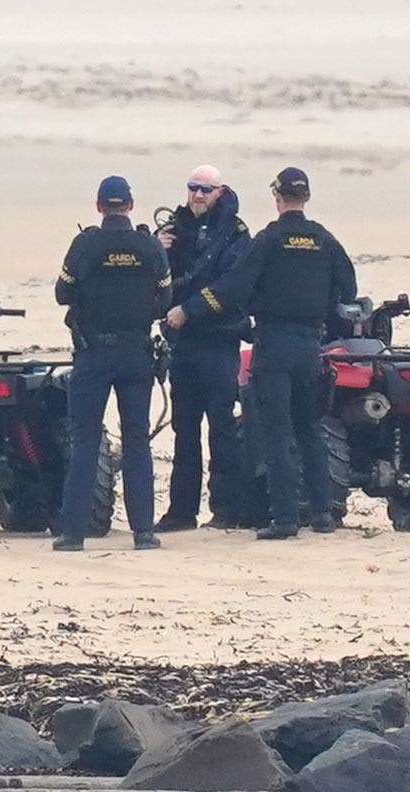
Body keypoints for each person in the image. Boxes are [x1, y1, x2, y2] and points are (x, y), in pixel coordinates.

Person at [166, 167, 357, 540]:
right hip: (309, 347)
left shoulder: (269, 240)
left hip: (272, 345)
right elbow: (348, 288)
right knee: (310, 430)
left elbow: (234, 287)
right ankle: (322, 515)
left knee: (277, 433)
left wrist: (188, 310)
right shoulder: (324, 239)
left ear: (277, 196)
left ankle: (285, 519)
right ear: (306, 197)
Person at [53, 176, 171, 552]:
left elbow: (62, 293)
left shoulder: (86, 244)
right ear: (131, 206)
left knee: (85, 440)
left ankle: (73, 534)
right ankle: (143, 533)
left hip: (94, 353)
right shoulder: (149, 245)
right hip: (136, 353)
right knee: (137, 441)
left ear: (100, 207)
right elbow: (165, 298)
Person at [154, 165, 250, 533]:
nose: (197, 196)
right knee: (185, 431)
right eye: (193, 188)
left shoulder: (236, 234)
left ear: (220, 192)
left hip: (219, 341)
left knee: (222, 429)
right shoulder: (175, 230)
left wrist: (189, 309)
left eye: (205, 190)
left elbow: (232, 286)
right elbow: (158, 282)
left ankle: (227, 509)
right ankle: (181, 511)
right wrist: (156, 249)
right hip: (184, 345)